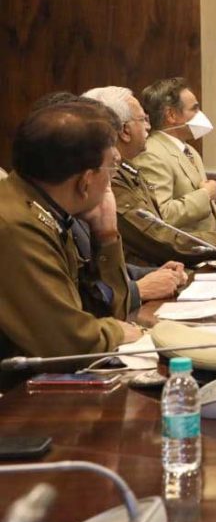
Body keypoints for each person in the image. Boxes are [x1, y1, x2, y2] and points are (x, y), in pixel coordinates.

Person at [0, 102, 143, 358]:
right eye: (111, 168)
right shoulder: (17, 226)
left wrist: (106, 237)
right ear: (85, 181)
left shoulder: (45, 210)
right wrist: (117, 333)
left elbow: (107, 311)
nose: (111, 179)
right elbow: (68, 344)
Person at [83, 86, 216, 266]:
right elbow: (161, 236)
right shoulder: (117, 176)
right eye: (142, 119)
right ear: (125, 131)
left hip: (170, 266)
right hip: (166, 266)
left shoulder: (129, 169)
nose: (148, 126)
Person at [33, 91, 187, 310]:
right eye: (109, 146)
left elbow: (88, 276)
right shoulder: (28, 220)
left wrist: (155, 275)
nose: (117, 156)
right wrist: (136, 290)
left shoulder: (66, 205)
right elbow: (68, 312)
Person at [132, 77, 216, 233]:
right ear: (171, 115)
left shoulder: (189, 150)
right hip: (185, 246)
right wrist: (204, 194)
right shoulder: (151, 154)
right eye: (194, 109)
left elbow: (208, 203)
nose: (200, 114)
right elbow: (161, 215)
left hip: (210, 241)